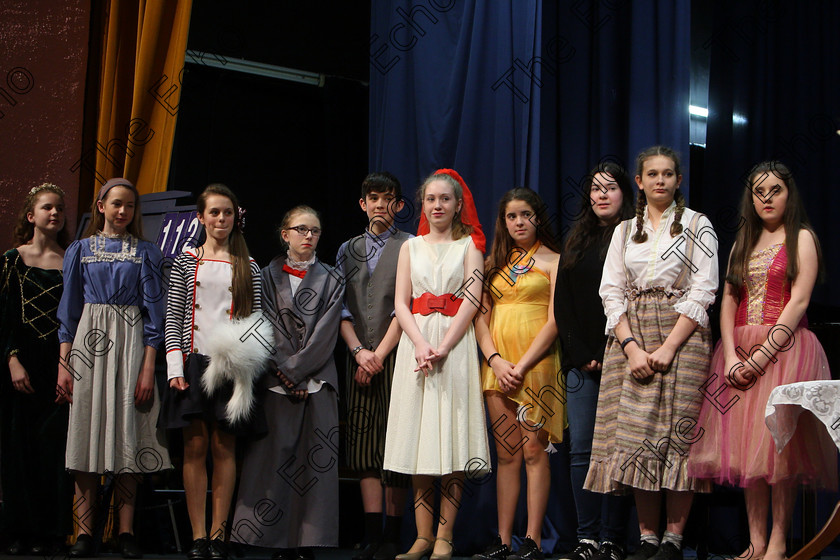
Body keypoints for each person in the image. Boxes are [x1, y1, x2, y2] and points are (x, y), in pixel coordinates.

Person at [688, 161, 836, 560]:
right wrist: (733, 353)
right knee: (747, 451)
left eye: (775, 191)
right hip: (740, 352)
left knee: (778, 448)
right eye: (759, 192)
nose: (767, 199)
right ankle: (755, 542)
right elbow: (729, 300)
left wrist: (762, 355)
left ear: (790, 194)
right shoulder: (743, 241)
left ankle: (778, 541)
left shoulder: (801, 237)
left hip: (786, 351)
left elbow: (799, 300)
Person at [584, 147, 719, 560]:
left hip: (682, 332)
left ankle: (674, 539)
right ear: (639, 182)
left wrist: (668, 347)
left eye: (668, 174)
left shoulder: (698, 224)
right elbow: (611, 290)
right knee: (638, 434)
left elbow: (704, 288)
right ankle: (646, 536)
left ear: (678, 180)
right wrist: (630, 346)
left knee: (678, 436)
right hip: (633, 335)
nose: (660, 181)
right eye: (652, 174)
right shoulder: (625, 230)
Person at [56, 177, 171, 558]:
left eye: (130, 206)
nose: (123, 212)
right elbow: (68, 313)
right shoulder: (79, 251)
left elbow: (156, 316)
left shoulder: (146, 253)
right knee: (86, 433)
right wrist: (64, 365)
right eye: (117, 204)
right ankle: (85, 532)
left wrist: (146, 367)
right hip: (89, 346)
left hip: (131, 345)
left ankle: (124, 531)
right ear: (101, 206)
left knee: (128, 436)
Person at [383, 169, 490, 560]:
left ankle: (445, 537)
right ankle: (422, 536)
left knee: (451, 437)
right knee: (418, 440)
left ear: (458, 204)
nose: (438, 205)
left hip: (454, 347)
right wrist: (420, 343)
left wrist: (443, 346)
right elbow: (400, 302)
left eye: (445, 199)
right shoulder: (410, 247)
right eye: (431, 199)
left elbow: (472, 301)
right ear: (423, 203)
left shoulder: (469, 247)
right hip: (417, 346)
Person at [230, 205, 344, 560]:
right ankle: (271, 539)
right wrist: (284, 369)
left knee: (314, 464)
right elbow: (263, 326)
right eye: (301, 230)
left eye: (314, 231)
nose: (308, 236)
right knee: (273, 460)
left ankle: (308, 540)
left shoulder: (333, 277)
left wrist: (298, 370)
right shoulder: (265, 275)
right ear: (285, 234)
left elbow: (326, 334)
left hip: (316, 379)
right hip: (275, 378)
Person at [160, 184, 262, 560]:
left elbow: (255, 321)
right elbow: (173, 316)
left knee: (224, 448)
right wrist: (175, 367)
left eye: (228, 213)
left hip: (230, 365)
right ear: (200, 217)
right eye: (214, 212)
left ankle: (220, 535)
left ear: (237, 217)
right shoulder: (187, 261)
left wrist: (244, 367)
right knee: (195, 446)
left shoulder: (248, 265)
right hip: (193, 361)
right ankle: (198, 535)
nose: (221, 219)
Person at [473, 187, 562, 560]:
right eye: (512, 216)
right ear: (503, 222)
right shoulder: (494, 262)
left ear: (537, 217)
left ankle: (533, 540)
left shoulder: (555, 260)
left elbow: (557, 319)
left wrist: (522, 365)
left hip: (537, 367)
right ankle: (504, 540)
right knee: (506, 454)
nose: (519, 222)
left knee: (533, 451)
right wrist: (494, 359)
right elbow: (480, 317)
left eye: (526, 214)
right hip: (498, 366)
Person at [554, 164, 635, 560]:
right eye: (595, 189)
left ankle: (613, 538)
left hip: (624, 356)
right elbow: (563, 308)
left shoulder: (636, 237)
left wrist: (613, 351)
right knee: (582, 449)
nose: (602, 195)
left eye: (610, 188)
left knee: (619, 449)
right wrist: (583, 354)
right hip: (580, 363)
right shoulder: (576, 240)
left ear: (625, 193)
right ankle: (586, 537)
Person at [337, 172, 411, 560]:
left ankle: (393, 535)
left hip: (396, 356)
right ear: (362, 204)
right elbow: (340, 309)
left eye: (388, 199)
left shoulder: (410, 246)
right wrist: (357, 353)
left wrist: (379, 354)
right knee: (364, 447)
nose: (380, 205)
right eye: (373, 198)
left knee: (395, 444)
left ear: (398, 205)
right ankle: (370, 533)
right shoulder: (347, 249)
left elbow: (408, 305)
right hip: (358, 356)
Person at [0, 183, 73, 555]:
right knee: (18, 449)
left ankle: (51, 532)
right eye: (47, 207)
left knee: (53, 450)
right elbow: (3, 316)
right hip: (20, 363)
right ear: (31, 215)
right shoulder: (13, 259)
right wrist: (12, 360)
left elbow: (74, 320)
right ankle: (17, 530)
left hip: (56, 364)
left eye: (60, 208)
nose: (55, 213)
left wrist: (67, 366)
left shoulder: (70, 261)